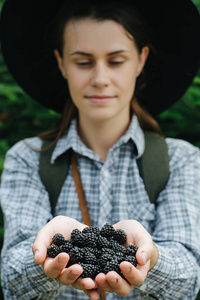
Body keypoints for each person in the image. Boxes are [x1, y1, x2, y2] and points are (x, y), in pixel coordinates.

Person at [1, 0, 200, 299]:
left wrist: (152, 258)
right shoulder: (27, 158)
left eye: (116, 61)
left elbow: (188, 278)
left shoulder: (180, 160)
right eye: (83, 62)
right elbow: (11, 280)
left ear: (141, 60)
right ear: (61, 63)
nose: (100, 79)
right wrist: (43, 260)